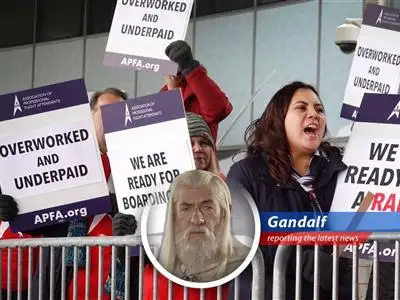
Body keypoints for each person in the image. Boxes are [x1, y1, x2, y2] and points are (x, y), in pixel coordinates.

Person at [0, 87, 138, 299]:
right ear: (90, 117)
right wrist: (16, 209)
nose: (113, 120)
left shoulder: (134, 166)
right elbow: (46, 221)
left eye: (119, 114)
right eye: (105, 112)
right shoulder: (61, 162)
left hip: (115, 280)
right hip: (65, 277)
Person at [227, 81, 353, 300]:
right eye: (301, 108)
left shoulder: (341, 173)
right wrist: (299, 258)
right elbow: (237, 243)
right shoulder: (246, 174)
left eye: (319, 109)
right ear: (279, 119)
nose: (314, 114)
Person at [141, 114, 232, 300]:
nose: (197, 149)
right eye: (190, 143)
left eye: (204, 142)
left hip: (212, 287)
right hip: (163, 286)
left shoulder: (229, 188)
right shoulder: (152, 190)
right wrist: (128, 229)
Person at [158, 170, 249, 282]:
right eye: (186, 209)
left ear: (225, 212)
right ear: (173, 215)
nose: (196, 220)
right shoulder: (155, 272)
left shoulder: (247, 265)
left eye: (207, 208)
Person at [162, 40, 233, 143]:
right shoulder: (164, 93)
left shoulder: (199, 90)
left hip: (198, 157)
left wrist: (190, 69)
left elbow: (218, 110)